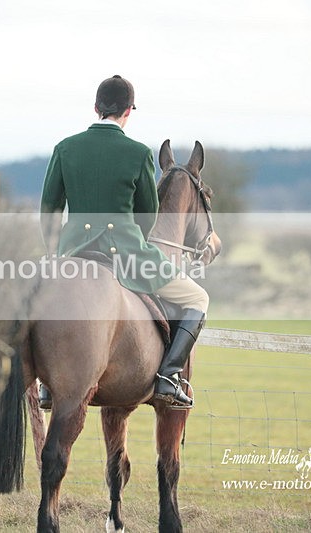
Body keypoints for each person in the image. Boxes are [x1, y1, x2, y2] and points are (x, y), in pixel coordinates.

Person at [39, 74, 209, 410]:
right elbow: (148, 215)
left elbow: (48, 211)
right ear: (129, 111)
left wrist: (57, 257)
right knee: (197, 297)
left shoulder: (65, 148)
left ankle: (48, 384)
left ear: (96, 108)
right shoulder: (138, 153)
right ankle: (168, 377)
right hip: (127, 255)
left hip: (72, 254)